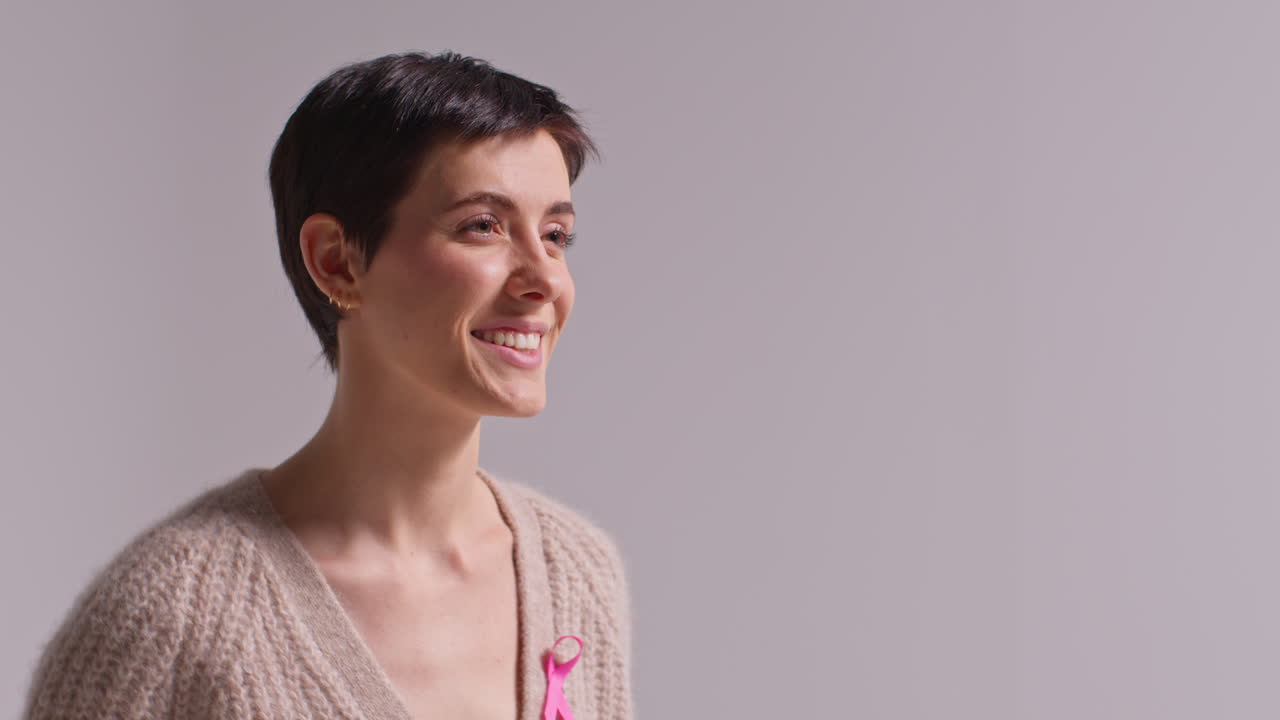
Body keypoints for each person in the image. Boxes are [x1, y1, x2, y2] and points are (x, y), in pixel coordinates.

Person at [23, 51, 634, 719]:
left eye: (555, 234)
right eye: (482, 226)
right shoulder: (169, 620)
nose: (544, 278)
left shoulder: (575, 570)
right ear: (337, 262)